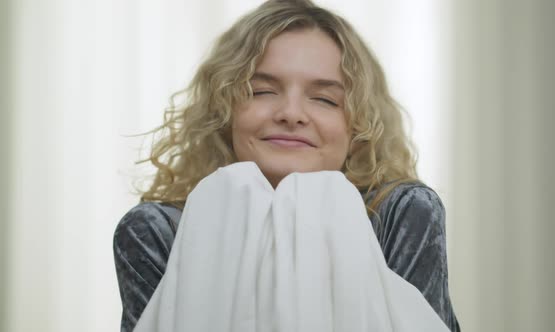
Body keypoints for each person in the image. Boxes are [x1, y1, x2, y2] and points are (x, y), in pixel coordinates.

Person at [113, 0, 461, 331]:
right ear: (224, 111)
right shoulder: (156, 231)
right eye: (262, 91)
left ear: (358, 127)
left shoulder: (401, 213)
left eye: (325, 99)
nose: (291, 114)